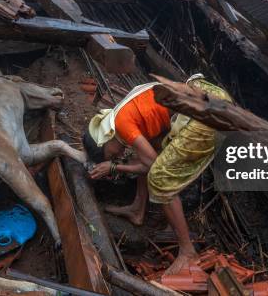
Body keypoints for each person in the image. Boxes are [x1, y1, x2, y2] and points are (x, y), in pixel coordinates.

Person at [83, 75, 232, 274]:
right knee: (149, 151)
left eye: (110, 153)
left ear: (105, 140)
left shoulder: (122, 124)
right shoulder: (126, 113)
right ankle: (138, 209)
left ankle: (187, 251)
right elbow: (147, 155)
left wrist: (114, 167)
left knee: (160, 178)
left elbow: (152, 167)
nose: (116, 155)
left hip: (207, 114)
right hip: (210, 95)